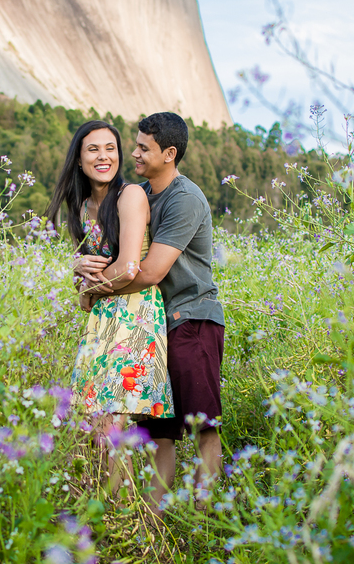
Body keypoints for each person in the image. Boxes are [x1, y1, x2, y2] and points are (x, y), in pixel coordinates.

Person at [80, 112, 225, 513]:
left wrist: (95, 288)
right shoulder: (137, 194)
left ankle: (204, 518)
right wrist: (81, 271)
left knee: (202, 424)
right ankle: (154, 518)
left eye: (144, 147)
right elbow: (107, 256)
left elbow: (148, 272)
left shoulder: (184, 198)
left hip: (191, 318)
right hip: (154, 324)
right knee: (158, 427)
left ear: (170, 154)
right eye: (137, 144)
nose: (136, 153)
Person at [45, 120, 174, 489]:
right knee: (92, 426)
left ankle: (123, 516)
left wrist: (88, 291)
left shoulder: (130, 195)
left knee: (110, 429)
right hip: (103, 317)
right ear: (79, 159)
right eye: (93, 149)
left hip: (134, 314)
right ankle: (106, 512)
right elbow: (89, 271)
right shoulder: (85, 206)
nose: (104, 156)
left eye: (110, 148)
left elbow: (128, 266)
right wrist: (77, 270)